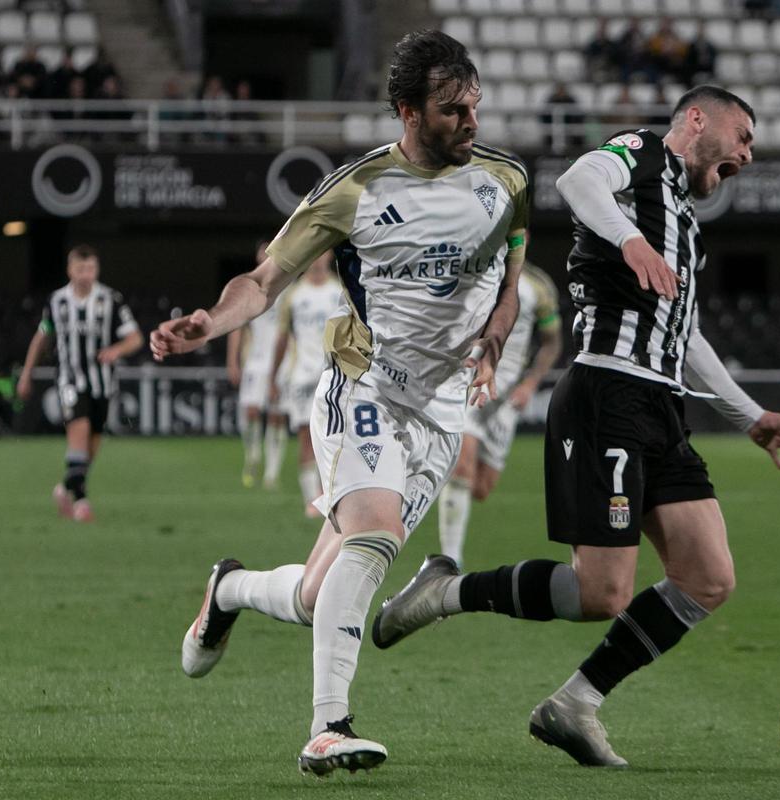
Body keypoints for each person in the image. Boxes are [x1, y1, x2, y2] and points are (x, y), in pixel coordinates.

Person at [372, 85, 780, 768]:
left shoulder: (685, 225)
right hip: (607, 392)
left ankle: (575, 704)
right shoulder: (641, 156)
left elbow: (684, 333)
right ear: (697, 120)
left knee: (708, 578)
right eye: (743, 137)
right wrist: (632, 240)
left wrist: (750, 414)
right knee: (601, 593)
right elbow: (578, 180)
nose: (747, 156)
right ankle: (444, 592)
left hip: (662, 406)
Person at [150, 29, 529, 776]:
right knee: (377, 534)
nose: (471, 123)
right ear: (407, 112)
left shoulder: (508, 181)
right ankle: (329, 727)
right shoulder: (354, 191)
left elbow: (511, 280)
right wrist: (208, 321)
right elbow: (262, 281)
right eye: (453, 111)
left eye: (475, 107)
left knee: (320, 593)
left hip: (444, 412)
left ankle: (229, 589)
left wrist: (495, 337)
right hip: (366, 385)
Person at [437, 259, 562, 568]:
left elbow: (552, 342)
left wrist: (531, 383)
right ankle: (450, 562)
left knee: (480, 488)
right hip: (470, 381)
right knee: (461, 469)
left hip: (506, 396)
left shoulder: (537, 284)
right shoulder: (472, 269)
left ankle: (434, 479)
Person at [16, 244, 143, 522]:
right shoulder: (57, 301)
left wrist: (116, 351)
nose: (86, 274)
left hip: (103, 383)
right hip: (69, 380)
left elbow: (135, 338)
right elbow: (42, 338)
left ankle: (65, 487)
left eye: (91, 268)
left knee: (93, 442)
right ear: (69, 269)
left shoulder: (111, 299)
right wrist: (26, 374)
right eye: (80, 268)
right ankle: (81, 501)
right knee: (79, 430)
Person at [268, 251, 341, 518]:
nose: (318, 259)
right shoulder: (294, 295)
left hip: (335, 374)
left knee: (335, 439)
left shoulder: (341, 290)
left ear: (330, 255)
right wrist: (273, 376)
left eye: (323, 253)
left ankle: (331, 494)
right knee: (307, 438)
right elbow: (282, 338)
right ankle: (311, 500)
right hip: (301, 376)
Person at [225, 240, 294, 490]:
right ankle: (252, 454)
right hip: (254, 360)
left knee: (276, 416)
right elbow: (236, 326)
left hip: (282, 361)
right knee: (251, 411)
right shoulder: (249, 288)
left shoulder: (290, 287)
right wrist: (232, 360)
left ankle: (272, 473)